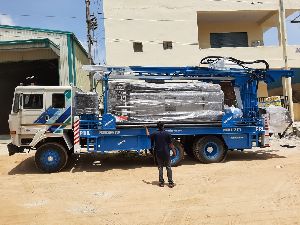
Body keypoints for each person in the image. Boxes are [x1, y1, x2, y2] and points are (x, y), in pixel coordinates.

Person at [145, 122, 176, 188]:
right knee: (168, 167)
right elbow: (171, 144)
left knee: (160, 168)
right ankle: (170, 183)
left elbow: (148, 136)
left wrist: (146, 128)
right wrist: (174, 151)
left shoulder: (155, 133)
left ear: (157, 127)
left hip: (158, 153)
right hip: (166, 153)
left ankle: (161, 182)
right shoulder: (167, 133)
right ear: (163, 126)